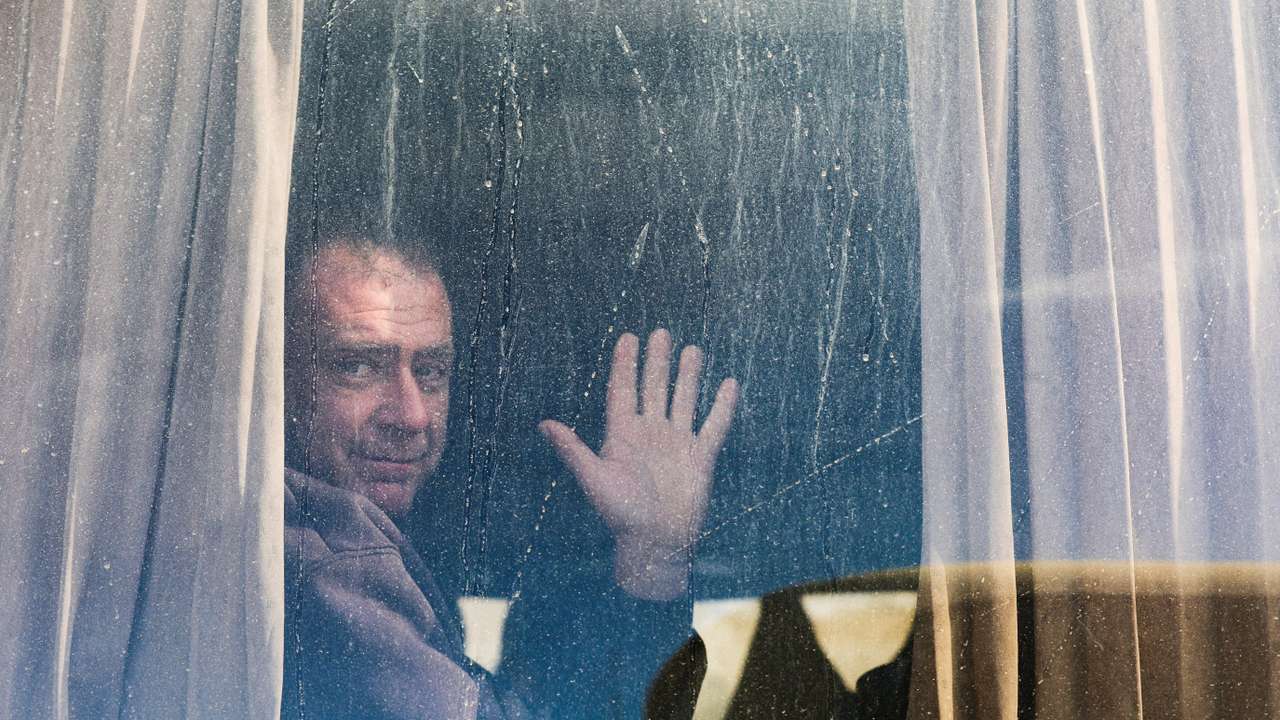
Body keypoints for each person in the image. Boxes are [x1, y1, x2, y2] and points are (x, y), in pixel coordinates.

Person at [282, 234, 739, 719]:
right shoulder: (325, 553)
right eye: (356, 367)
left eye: (432, 371)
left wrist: (652, 550)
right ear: (280, 379)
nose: (412, 415)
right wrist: (653, 557)